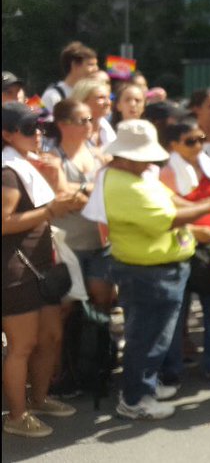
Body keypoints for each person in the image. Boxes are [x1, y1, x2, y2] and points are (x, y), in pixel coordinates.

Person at [83, 119, 210, 420]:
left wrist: (201, 206)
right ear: (126, 156)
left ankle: (143, 387)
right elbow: (165, 219)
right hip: (148, 272)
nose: (150, 162)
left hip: (155, 269)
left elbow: (169, 198)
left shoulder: (135, 175)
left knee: (153, 336)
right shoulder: (126, 184)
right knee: (147, 337)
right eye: (143, 157)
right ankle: (136, 398)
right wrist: (209, 207)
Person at [2, 102, 85, 437]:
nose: (37, 134)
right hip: (17, 270)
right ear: (6, 134)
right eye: (27, 128)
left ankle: (39, 399)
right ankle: (16, 417)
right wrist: (51, 210)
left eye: (38, 127)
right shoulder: (7, 171)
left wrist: (62, 198)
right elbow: (4, 222)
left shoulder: (24, 163)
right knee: (21, 346)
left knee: (50, 337)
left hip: (40, 267)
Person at [159, 118, 210, 387]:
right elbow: (164, 213)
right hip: (180, 248)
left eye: (201, 140)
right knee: (176, 311)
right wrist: (193, 230)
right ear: (173, 145)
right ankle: (171, 368)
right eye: (190, 141)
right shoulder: (165, 173)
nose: (198, 146)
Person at [50, 99, 113, 310]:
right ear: (62, 124)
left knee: (103, 299)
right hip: (69, 244)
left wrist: (76, 191)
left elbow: (109, 190)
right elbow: (60, 195)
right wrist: (91, 190)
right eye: (82, 120)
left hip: (100, 241)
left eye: (90, 120)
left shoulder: (99, 155)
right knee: (67, 305)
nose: (89, 125)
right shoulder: (53, 157)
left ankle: (99, 344)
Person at [41, 41, 99, 112]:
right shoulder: (53, 96)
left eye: (96, 65)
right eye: (91, 64)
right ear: (74, 65)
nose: (96, 69)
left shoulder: (95, 96)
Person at [71, 77, 116, 148]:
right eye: (101, 97)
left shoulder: (106, 127)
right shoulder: (69, 130)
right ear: (83, 100)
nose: (108, 102)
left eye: (109, 98)